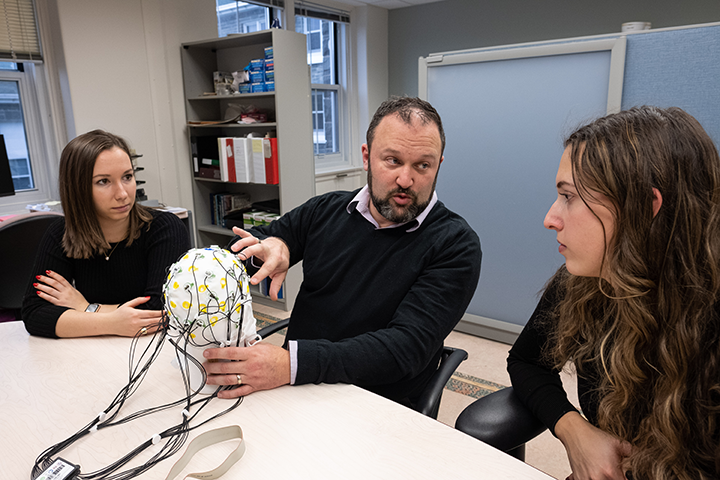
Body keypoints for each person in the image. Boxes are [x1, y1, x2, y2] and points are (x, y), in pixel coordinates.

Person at [203, 96, 482, 406]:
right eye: (392, 160)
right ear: (367, 157)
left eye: (423, 165)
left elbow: (405, 348)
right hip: (294, 385)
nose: (406, 179)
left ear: (438, 164)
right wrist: (274, 246)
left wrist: (290, 364)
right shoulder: (325, 209)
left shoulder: (455, 244)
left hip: (376, 401)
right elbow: (249, 247)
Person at [508, 106, 720, 480]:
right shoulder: (584, 281)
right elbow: (526, 362)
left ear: (644, 206)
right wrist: (574, 431)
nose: (550, 218)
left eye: (570, 197)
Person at [22, 130, 190, 338]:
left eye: (127, 177)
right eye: (104, 181)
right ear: (78, 188)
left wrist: (86, 308)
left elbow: (159, 315)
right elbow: (34, 315)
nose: (122, 194)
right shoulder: (61, 234)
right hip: (92, 355)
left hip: (153, 353)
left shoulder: (164, 228)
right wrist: (113, 322)